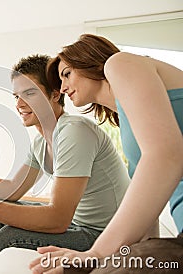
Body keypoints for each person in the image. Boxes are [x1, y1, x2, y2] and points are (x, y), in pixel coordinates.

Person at [0, 54, 130, 270]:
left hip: (105, 236)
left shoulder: (75, 131)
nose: (20, 104)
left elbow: (57, 219)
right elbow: (11, 190)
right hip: (78, 224)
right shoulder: (40, 142)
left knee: (10, 235)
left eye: (30, 93)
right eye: (16, 96)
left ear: (55, 94)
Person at [29, 34, 183, 274]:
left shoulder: (120, 63)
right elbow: (151, 200)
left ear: (89, 59)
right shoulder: (129, 123)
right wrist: (132, 254)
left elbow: (166, 157)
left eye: (67, 73)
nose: (62, 87)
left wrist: (97, 253)